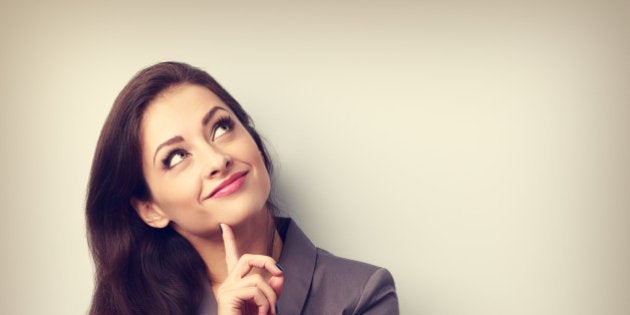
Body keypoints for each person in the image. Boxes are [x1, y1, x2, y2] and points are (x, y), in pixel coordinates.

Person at [86, 61, 398, 314]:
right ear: (150, 209)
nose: (217, 160)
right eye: (176, 156)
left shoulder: (361, 294)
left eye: (221, 128)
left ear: (254, 142)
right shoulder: (128, 307)